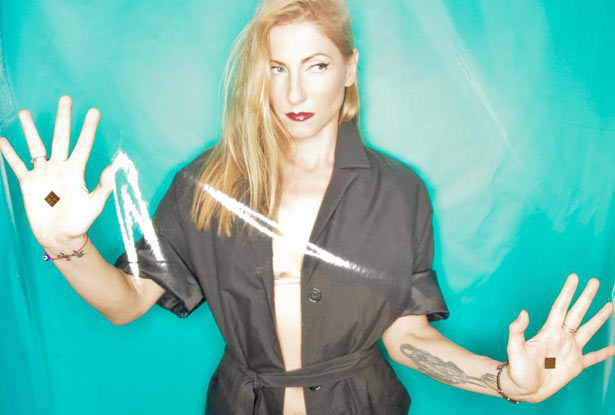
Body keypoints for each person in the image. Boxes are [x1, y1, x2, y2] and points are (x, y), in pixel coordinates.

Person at [1, 0, 614, 414]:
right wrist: (67, 245)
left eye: (316, 65)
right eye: (277, 68)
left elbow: (406, 336)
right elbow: (125, 303)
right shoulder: (205, 184)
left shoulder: (400, 193)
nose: (294, 90)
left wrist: (504, 382)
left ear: (349, 69)